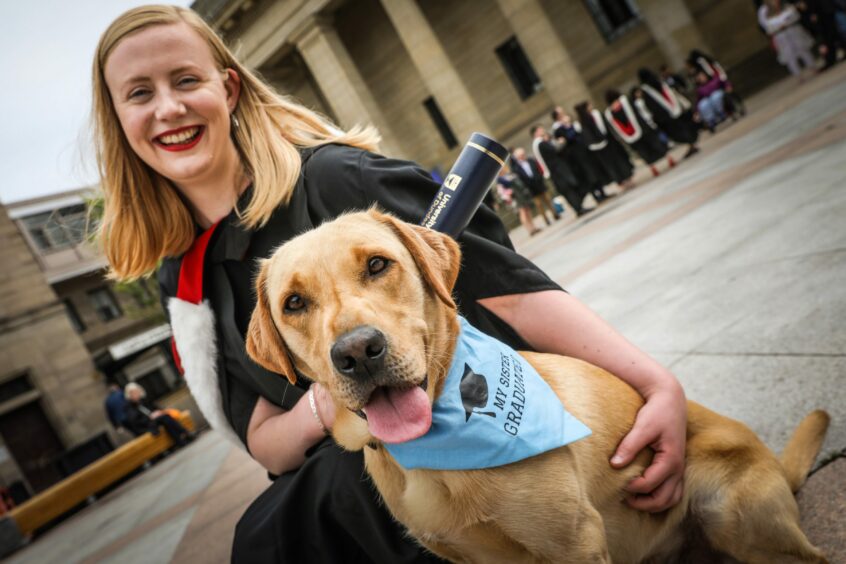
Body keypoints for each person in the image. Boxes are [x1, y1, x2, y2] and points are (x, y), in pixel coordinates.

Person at [93, 6, 688, 562]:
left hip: (473, 438)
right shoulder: (183, 276)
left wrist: (655, 383)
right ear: (119, 120)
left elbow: (508, 287)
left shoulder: (335, 180)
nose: (168, 108)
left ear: (228, 88)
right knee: (267, 534)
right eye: (140, 94)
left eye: (185, 80)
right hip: (349, 459)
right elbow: (266, 443)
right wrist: (338, 387)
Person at [604, 90, 674, 178]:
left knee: (643, 151)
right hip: (643, 128)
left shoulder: (610, 113)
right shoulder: (626, 101)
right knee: (655, 143)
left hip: (630, 136)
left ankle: (653, 168)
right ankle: (669, 158)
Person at [551, 107, 611, 203]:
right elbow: (568, 138)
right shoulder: (558, 129)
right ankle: (596, 196)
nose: (564, 113)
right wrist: (567, 126)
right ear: (557, 116)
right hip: (575, 156)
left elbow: (580, 133)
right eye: (561, 112)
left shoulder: (569, 122)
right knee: (586, 175)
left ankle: (602, 192)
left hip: (583, 150)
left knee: (594, 170)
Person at [637, 68, 700, 159]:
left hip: (663, 117)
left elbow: (650, 105)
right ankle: (691, 145)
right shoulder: (658, 82)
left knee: (676, 133)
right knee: (681, 129)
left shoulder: (646, 89)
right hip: (673, 109)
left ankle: (691, 145)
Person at [574, 101, 635, 190]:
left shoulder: (596, 115)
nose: (591, 106)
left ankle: (626, 178)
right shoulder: (581, 122)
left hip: (608, 142)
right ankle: (620, 181)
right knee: (610, 164)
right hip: (597, 148)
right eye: (589, 105)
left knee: (616, 161)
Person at [530, 125, 589, 216]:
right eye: (540, 129)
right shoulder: (540, 143)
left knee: (571, 187)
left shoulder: (539, 143)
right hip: (557, 170)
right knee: (568, 188)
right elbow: (553, 150)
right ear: (536, 133)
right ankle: (578, 208)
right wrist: (560, 142)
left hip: (557, 169)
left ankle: (579, 207)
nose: (543, 130)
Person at [760, 0, 818, 79]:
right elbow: (765, 25)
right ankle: (798, 75)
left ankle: (812, 67)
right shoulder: (764, 10)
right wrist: (777, 27)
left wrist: (787, 22)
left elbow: (795, 15)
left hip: (793, 29)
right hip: (780, 35)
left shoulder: (785, 4)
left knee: (803, 49)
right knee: (789, 55)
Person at [122, 383, 193, 446]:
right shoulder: (129, 407)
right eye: (133, 393)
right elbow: (136, 421)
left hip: (156, 421)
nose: (136, 394)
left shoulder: (143, 401)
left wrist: (158, 412)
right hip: (146, 426)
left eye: (136, 391)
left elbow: (156, 408)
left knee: (165, 419)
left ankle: (181, 440)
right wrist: (150, 417)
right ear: (129, 395)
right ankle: (185, 434)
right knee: (165, 418)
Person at [509, 147, 560, 225]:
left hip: (539, 184)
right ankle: (546, 220)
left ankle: (555, 214)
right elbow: (521, 179)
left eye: (523, 154)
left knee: (548, 199)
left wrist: (540, 178)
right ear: (518, 157)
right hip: (531, 188)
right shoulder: (517, 168)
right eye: (521, 155)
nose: (523, 156)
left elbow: (539, 169)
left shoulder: (531, 160)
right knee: (539, 205)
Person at [495, 165, 542, 236]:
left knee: (527, 211)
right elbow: (502, 191)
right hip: (514, 197)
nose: (503, 169)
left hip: (521, 195)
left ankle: (533, 227)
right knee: (522, 212)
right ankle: (529, 230)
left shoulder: (509, 174)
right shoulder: (500, 179)